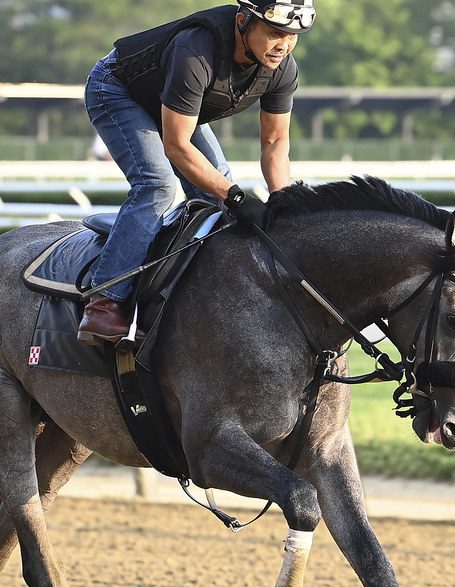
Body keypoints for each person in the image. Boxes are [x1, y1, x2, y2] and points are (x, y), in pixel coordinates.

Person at [77, 0, 315, 345]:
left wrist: (281, 198)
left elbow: (276, 141)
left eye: (293, 36)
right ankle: (104, 303)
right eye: (275, 32)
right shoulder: (196, 51)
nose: (284, 45)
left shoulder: (282, 68)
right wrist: (235, 194)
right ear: (242, 21)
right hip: (117, 89)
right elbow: (176, 145)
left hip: (170, 103)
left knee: (218, 197)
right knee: (158, 185)